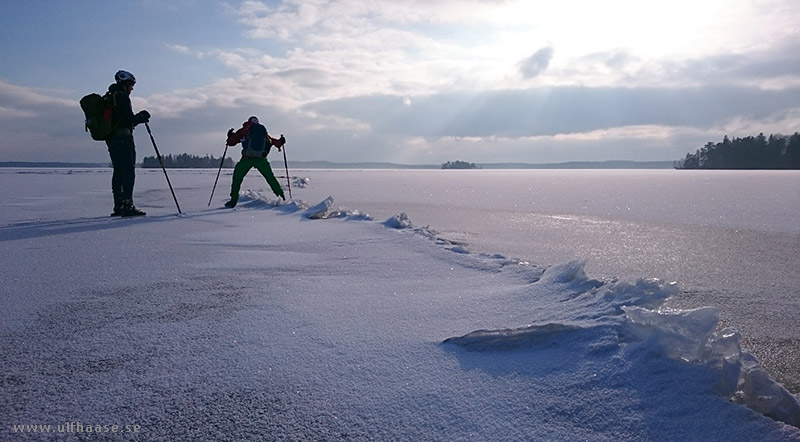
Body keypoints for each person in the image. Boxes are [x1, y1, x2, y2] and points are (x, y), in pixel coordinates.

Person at [106, 70, 151, 216]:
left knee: (118, 171)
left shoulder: (110, 97)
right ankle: (127, 205)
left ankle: (118, 205)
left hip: (112, 140)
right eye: (131, 85)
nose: (132, 88)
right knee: (128, 172)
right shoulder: (122, 97)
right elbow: (128, 120)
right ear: (124, 84)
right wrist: (141, 117)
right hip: (124, 139)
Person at [224, 116, 286, 208]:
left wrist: (230, 136)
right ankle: (282, 198)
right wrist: (280, 142)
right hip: (261, 159)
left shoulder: (245, 130)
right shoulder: (262, 131)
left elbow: (231, 143)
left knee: (237, 178)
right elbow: (272, 141)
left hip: (247, 159)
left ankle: (233, 200)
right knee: (270, 178)